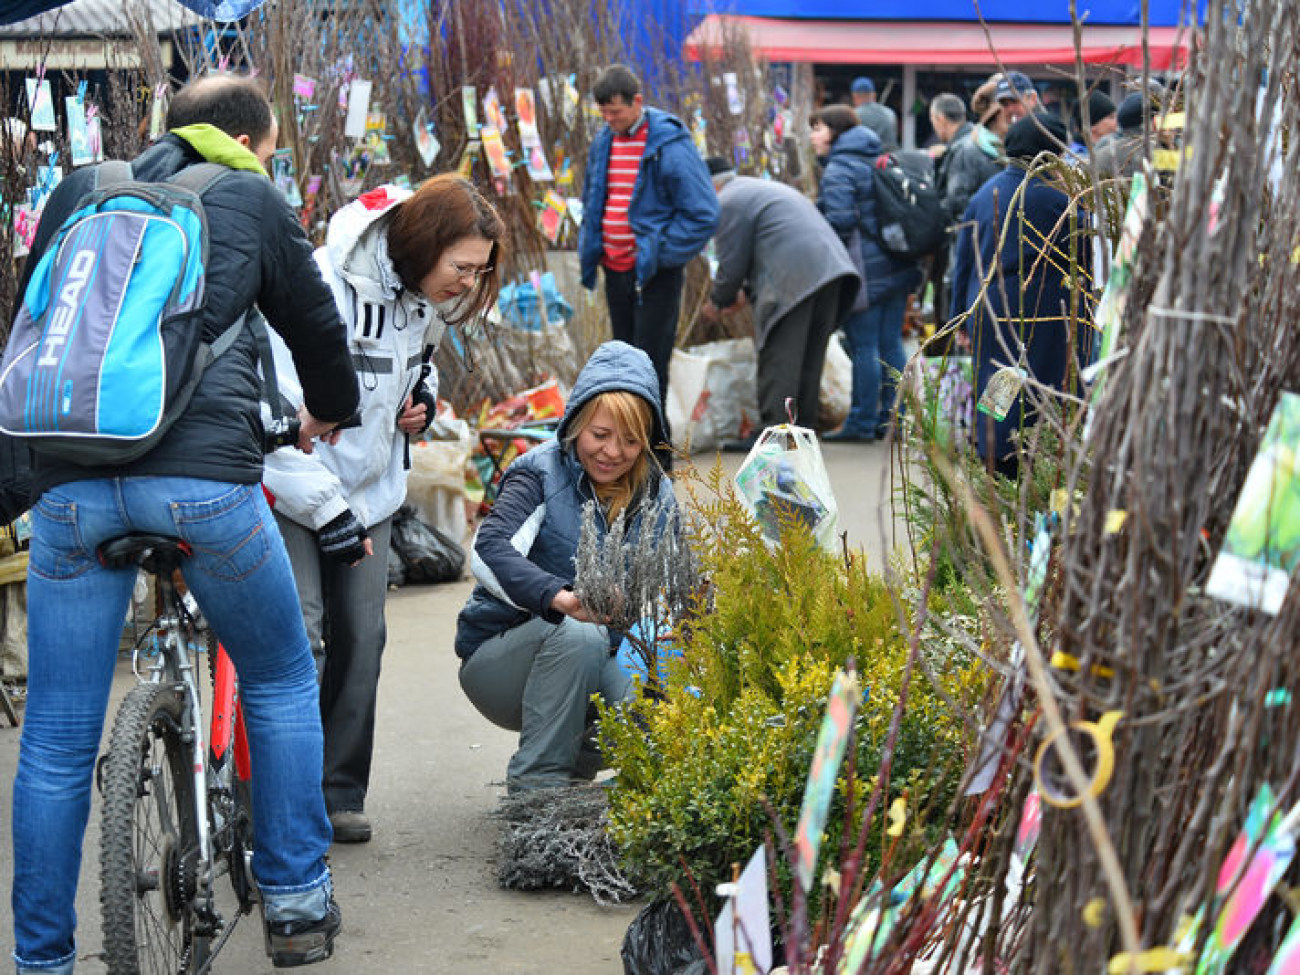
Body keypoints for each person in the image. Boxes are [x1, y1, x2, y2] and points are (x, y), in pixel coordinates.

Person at [8, 74, 358, 974]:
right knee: (281, 674)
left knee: (52, 735)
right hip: (203, 489)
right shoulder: (251, 195)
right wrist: (328, 411)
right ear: (256, 139)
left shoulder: (81, 190)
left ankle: (41, 959)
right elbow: (318, 334)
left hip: (72, 492)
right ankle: (295, 904)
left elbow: (34, 327)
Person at [261, 175, 503, 844]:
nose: (466, 283)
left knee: (363, 639)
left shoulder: (422, 301)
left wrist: (420, 402)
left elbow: (417, 365)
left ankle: (339, 791)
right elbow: (278, 406)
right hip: (294, 484)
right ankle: (278, 802)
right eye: (462, 267)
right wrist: (324, 502)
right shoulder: (320, 283)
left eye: (477, 272)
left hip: (369, 495)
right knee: (300, 638)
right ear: (424, 243)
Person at [455, 340, 677, 794]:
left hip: (601, 656)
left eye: (630, 440)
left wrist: (687, 625)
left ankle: (596, 779)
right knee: (580, 632)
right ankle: (537, 788)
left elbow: (678, 580)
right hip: (502, 663)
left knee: (660, 669)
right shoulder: (538, 473)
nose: (613, 452)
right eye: (600, 434)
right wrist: (559, 598)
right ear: (576, 423)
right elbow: (487, 550)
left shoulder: (657, 494)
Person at [578, 64, 719, 464]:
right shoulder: (605, 141)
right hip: (615, 269)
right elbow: (595, 197)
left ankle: (659, 467)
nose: (610, 121)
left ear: (638, 101)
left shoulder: (669, 144)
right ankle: (627, 461)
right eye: (603, 114)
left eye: (616, 112)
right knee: (622, 370)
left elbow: (703, 213)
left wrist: (660, 254)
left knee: (650, 371)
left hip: (653, 275)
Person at [950, 112, 1092, 477]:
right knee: (1042, 381)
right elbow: (1084, 263)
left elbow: (963, 261)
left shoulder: (986, 193)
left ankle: (992, 451)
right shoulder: (1059, 200)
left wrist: (958, 318)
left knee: (998, 380)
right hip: (1042, 305)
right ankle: (1035, 458)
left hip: (988, 305)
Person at [699, 157, 859, 444]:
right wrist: (744, 294)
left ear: (709, 185)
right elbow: (770, 242)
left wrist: (717, 303)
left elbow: (731, 264)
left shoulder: (728, 203)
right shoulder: (756, 189)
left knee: (780, 356)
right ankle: (802, 431)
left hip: (796, 277)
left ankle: (776, 433)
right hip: (832, 271)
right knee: (809, 356)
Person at [810, 105, 922, 443]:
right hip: (896, 264)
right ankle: (896, 419)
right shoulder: (879, 157)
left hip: (864, 270)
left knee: (864, 345)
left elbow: (841, 221)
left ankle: (860, 422)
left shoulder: (841, 167)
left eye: (818, 127)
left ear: (834, 131)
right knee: (890, 343)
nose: (813, 135)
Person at [930, 92, 1002, 223]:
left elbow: (957, 202)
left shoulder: (962, 151)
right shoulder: (981, 141)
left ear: (940, 119)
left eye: (933, 120)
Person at [850, 76, 899, 151]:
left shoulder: (853, 115)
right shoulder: (890, 113)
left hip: (864, 160)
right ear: (874, 94)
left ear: (854, 96)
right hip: (889, 159)